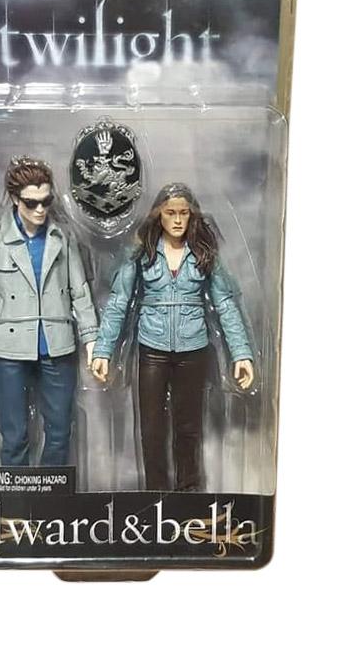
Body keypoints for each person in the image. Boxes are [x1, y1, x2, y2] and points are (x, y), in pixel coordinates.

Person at [91, 183, 254, 491]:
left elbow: (225, 304)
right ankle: (155, 493)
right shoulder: (142, 253)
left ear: (192, 216)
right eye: (170, 213)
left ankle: (188, 491)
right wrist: (103, 350)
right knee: (151, 429)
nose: (178, 220)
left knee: (188, 428)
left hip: (193, 349)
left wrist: (241, 353)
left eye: (184, 213)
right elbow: (119, 302)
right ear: (159, 215)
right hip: (152, 349)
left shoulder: (204, 254)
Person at [0, 157, 98, 466]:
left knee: (59, 432)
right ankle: (16, 494)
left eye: (46, 201)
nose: (40, 209)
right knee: (14, 436)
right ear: (15, 198)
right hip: (8, 348)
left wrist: (92, 341)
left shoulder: (63, 238)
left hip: (56, 344)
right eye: (31, 203)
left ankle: (54, 493)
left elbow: (80, 291)